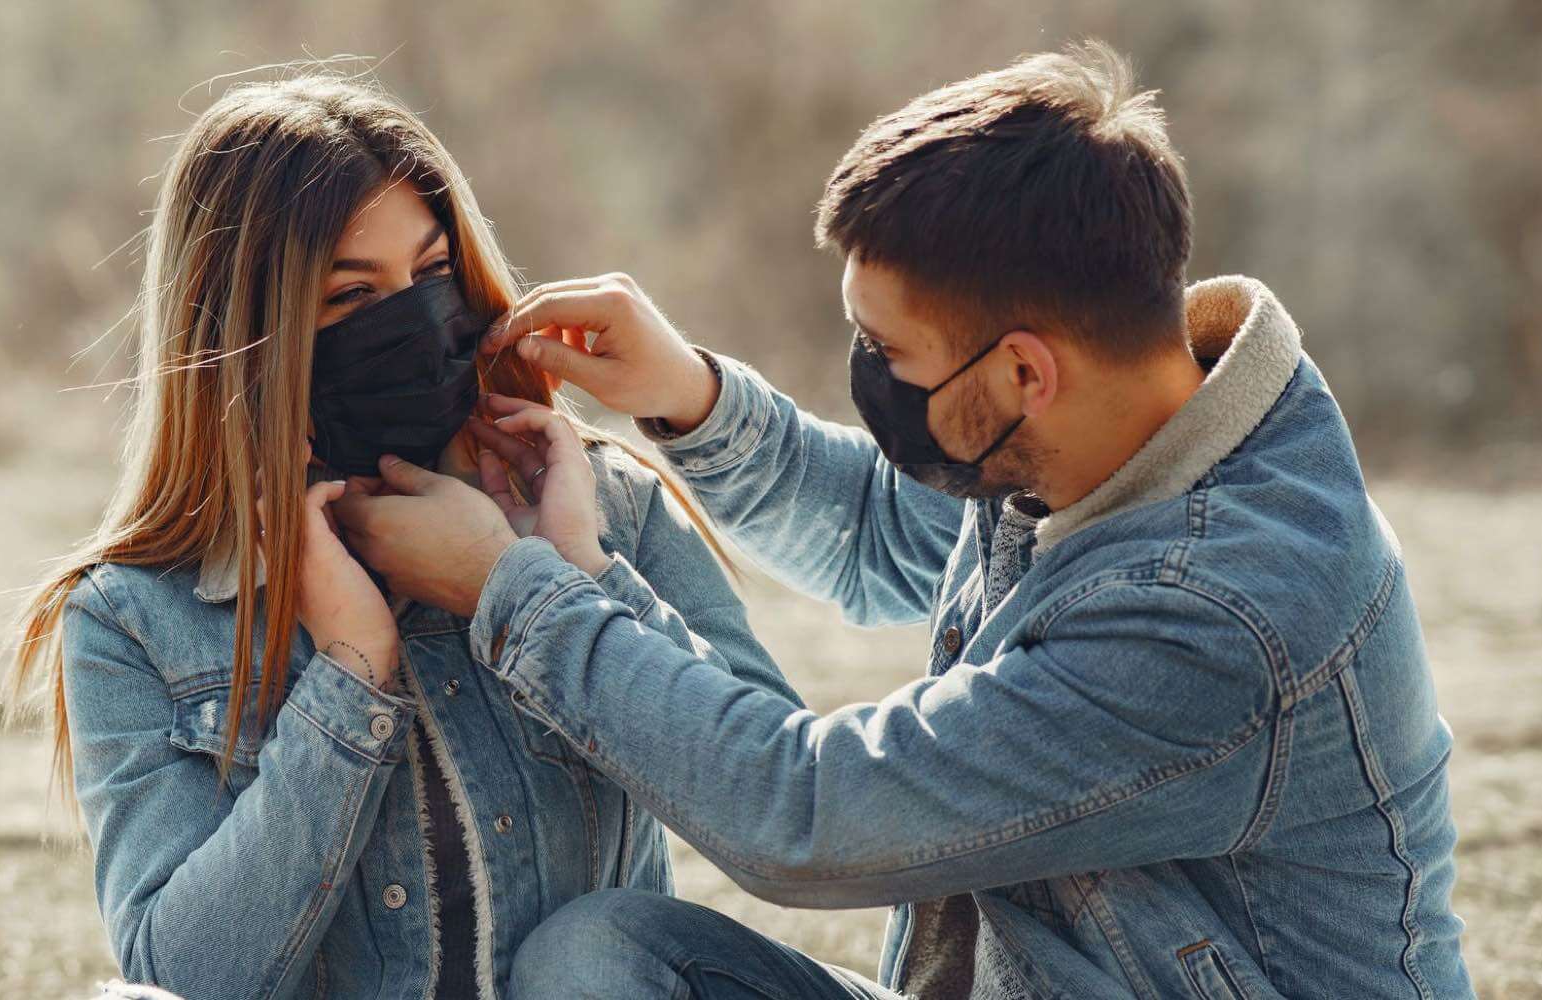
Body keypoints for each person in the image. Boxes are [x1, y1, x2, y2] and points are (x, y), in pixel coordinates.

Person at [333, 43, 1473, 998]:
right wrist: (689, 397)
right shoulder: (1120, 431)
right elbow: (887, 534)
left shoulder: (1218, 612)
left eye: (888, 353)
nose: (866, 377)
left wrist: (515, 590)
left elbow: (813, 817)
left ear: (1024, 372)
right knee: (604, 960)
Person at [2, 74, 798, 1000]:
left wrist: (564, 577)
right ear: (249, 338)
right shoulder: (133, 618)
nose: (416, 325)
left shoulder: (598, 504)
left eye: (430, 276)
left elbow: (777, 801)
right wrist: (349, 673)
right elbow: (188, 975)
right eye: (351, 298)